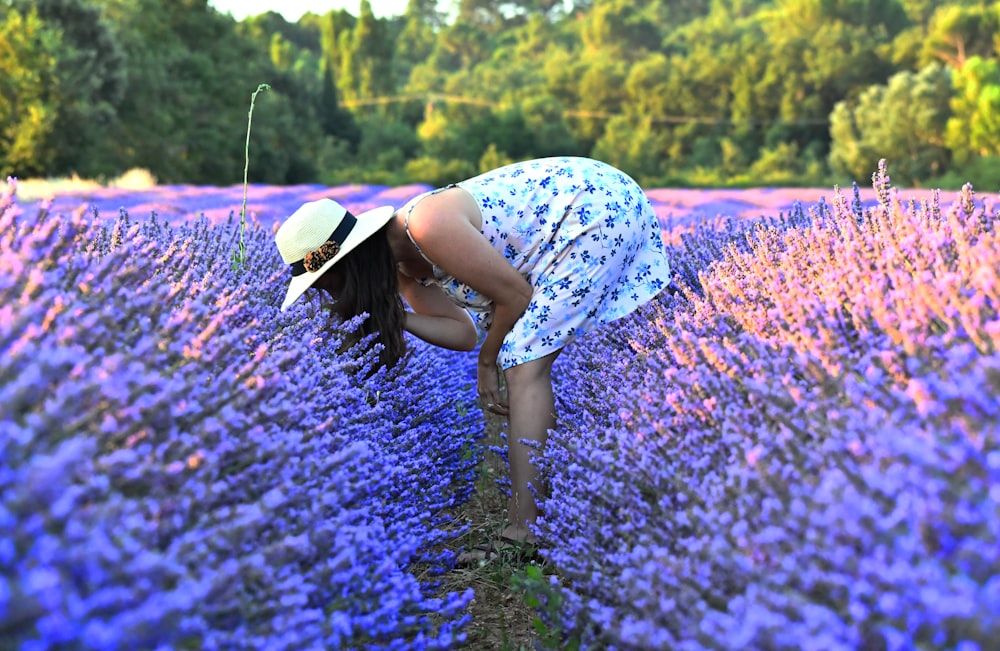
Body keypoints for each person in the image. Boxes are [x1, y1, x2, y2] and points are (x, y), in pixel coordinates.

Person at [274, 156, 671, 562]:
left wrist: (488, 363)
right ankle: (535, 522)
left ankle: (525, 534)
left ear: (349, 264)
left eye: (330, 284)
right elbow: (462, 332)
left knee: (522, 363)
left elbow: (515, 297)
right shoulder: (400, 267)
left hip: (595, 208)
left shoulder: (427, 227)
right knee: (521, 358)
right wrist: (399, 319)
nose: (333, 296)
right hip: (579, 215)